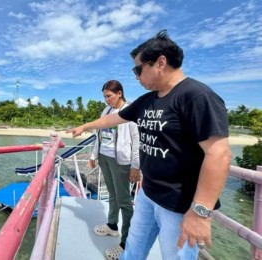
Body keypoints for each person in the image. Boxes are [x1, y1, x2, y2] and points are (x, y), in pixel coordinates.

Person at [68, 30, 231, 260]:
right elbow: (114, 118)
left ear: (161, 62)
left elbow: (219, 154)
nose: (136, 76)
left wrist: (200, 213)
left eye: (138, 69)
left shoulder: (196, 96)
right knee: (133, 252)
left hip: (178, 206)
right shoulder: (148, 100)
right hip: (147, 195)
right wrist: (85, 126)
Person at [89, 80, 140, 260]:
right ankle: (112, 226)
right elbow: (99, 134)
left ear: (119, 93)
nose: (106, 100)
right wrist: (94, 156)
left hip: (121, 162)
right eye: (104, 97)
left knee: (124, 201)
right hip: (105, 157)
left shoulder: (130, 111)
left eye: (109, 96)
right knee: (112, 194)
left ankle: (126, 243)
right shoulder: (107, 111)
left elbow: (137, 142)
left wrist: (135, 166)